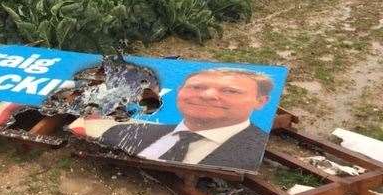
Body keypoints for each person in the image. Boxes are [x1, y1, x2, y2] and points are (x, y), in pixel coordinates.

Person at [97, 68, 274, 171]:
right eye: (196, 87)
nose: (207, 95)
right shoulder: (122, 132)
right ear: (179, 91)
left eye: (230, 91)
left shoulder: (253, 152)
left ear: (260, 101)